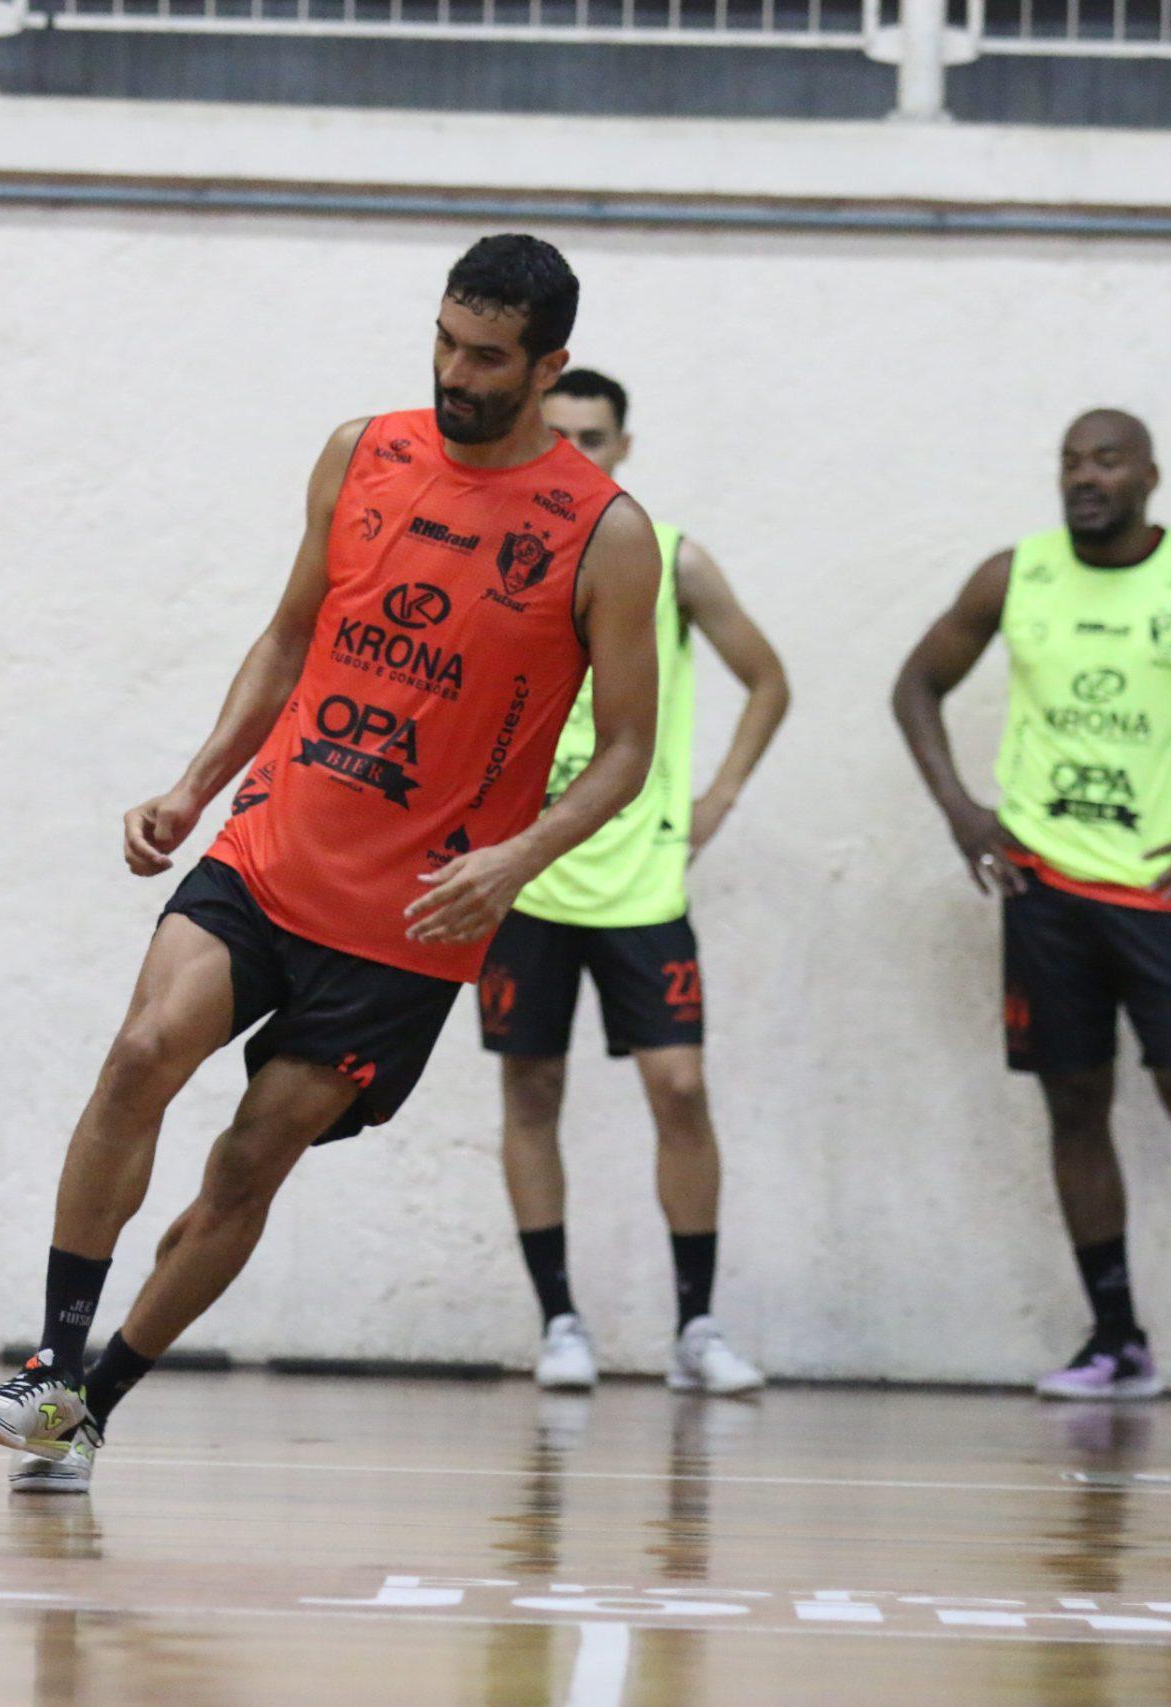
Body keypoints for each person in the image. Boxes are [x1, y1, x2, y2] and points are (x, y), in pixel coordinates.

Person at [0, 235, 665, 1491]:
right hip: (275, 845)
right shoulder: (361, 452)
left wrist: (517, 861)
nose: (455, 372)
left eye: (487, 357)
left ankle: (94, 1402)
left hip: (414, 921)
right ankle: (52, 1364)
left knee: (247, 1159)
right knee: (137, 1055)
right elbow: (286, 642)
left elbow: (625, 755)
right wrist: (190, 783)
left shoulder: (603, 535)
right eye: (444, 341)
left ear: (547, 365)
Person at [890, 408, 1171, 1407]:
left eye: (1107, 461)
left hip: (1160, 891)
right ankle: (1116, 1340)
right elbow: (916, 684)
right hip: (1044, 890)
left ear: (1149, 476)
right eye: (1071, 461)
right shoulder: (1015, 575)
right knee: (1073, 1104)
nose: (1085, 477)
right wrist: (961, 811)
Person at [477, 368, 790, 1396]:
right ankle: (558, 1321)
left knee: (679, 1086)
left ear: (621, 447)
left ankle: (696, 1328)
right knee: (531, 1088)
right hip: (524, 879)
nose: (575, 451)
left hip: (640, 881)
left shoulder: (668, 557)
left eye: (594, 437)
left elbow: (767, 679)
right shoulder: (496, 550)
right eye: (556, 432)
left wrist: (719, 799)